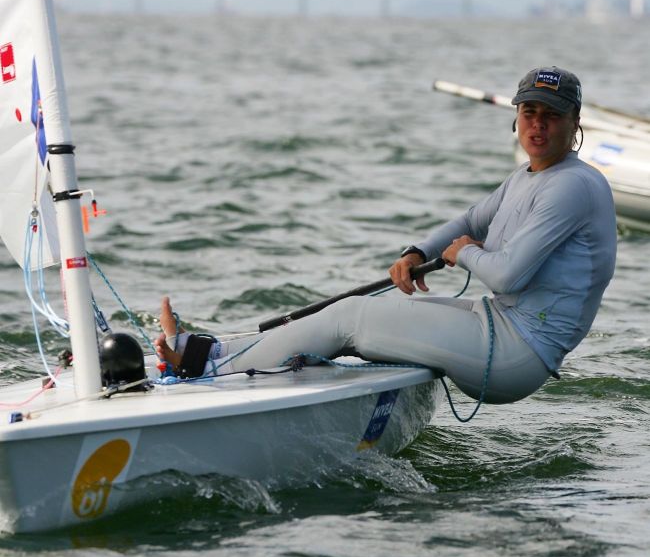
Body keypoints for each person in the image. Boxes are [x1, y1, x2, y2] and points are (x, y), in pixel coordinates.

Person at [155, 66, 617, 404]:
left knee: (350, 318)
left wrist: (466, 255)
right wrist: (418, 252)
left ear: (575, 121)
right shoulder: (529, 175)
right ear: (515, 117)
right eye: (529, 112)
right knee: (356, 312)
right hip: (498, 325)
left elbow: (508, 275)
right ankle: (210, 351)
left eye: (551, 116)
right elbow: (470, 221)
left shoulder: (573, 186)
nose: (537, 125)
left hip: (518, 354)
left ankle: (203, 366)